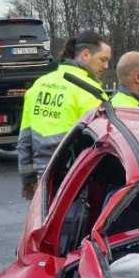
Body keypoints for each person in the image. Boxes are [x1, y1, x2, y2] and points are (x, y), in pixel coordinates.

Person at [18, 32, 112, 199]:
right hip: (73, 184)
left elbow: (25, 140)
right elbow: (104, 145)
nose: (106, 66)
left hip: (42, 182)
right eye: (103, 60)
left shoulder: (39, 84)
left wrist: (27, 180)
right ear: (85, 55)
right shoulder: (91, 92)